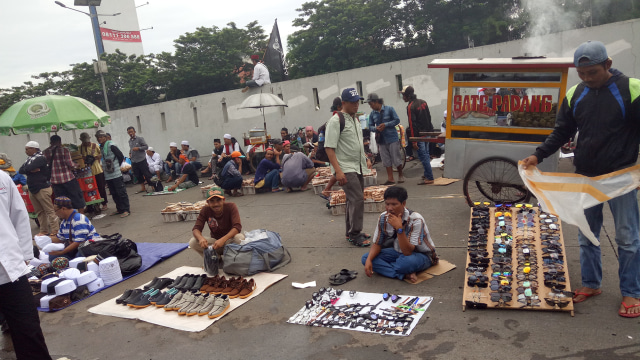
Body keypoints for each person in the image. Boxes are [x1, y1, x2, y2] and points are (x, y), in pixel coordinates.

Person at [521, 40, 640, 318]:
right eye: (582, 73)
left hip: (620, 177)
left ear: (608, 65)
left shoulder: (631, 89)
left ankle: (632, 292)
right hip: (585, 177)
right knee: (586, 234)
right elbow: (562, 130)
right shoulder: (575, 94)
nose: (587, 79)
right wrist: (538, 155)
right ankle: (591, 284)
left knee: (627, 238)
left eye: (593, 73)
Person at [0, 170, 52, 360]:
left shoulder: (2, 178)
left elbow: (18, 215)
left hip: (11, 270)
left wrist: (23, 255)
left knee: (28, 330)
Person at [325, 88, 372, 247]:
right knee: (357, 199)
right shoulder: (336, 121)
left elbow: (357, 143)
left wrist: (365, 157)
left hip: (357, 165)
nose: (356, 105)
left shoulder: (355, 119)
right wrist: (338, 171)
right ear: (343, 103)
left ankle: (350, 231)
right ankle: (355, 233)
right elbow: (329, 148)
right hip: (345, 167)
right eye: (353, 102)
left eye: (358, 102)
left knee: (352, 200)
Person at [362, 186, 437, 283]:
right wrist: (369, 260)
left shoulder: (416, 219)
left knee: (404, 263)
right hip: (397, 252)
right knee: (366, 258)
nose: (390, 208)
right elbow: (377, 243)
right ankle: (403, 274)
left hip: (421, 255)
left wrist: (399, 228)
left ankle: (399, 269)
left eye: (394, 204)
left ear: (403, 204)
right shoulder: (383, 217)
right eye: (387, 204)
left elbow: (407, 252)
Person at [19, 141, 59, 236]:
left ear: (34, 149)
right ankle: (44, 230)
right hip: (32, 188)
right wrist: (30, 170)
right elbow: (21, 170)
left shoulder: (40, 158)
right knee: (39, 212)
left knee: (49, 210)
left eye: (27, 149)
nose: (26, 151)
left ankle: (55, 229)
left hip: (42, 188)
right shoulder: (29, 159)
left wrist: (29, 169)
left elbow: (28, 168)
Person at [189, 186, 244, 256]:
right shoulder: (205, 210)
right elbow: (196, 228)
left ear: (223, 200)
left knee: (239, 238)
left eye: (218, 200)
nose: (216, 204)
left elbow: (237, 227)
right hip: (215, 242)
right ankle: (215, 258)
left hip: (230, 240)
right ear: (208, 202)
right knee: (193, 242)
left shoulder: (231, 206)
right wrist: (201, 239)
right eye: (212, 201)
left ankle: (232, 257)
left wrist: (223, 240)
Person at [366, 93, 405, 185]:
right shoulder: (372, 114)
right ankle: (390, 178)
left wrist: (386, 125)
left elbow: (397, 120)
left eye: (371, 104)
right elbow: (370, 126)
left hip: (392, 137)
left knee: (396, 158)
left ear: (376, 102)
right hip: (381, 140)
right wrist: (376, 129)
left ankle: (400, 175)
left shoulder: (389, 109)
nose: (370, 106)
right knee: (386, 160)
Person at [401, 85, 435, 185]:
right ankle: (426, 173)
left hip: (419, 135)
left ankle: (429, 177)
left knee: (423, 156)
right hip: (427, 132)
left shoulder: (410, 106)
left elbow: (412, 124)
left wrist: (414, 140)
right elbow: (429, 117)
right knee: (426, 155)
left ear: (408, 96)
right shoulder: (423, 102)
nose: (403, 98)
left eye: (403, 95)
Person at [48, 196, 99, 261]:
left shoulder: (78, 219)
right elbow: (60, 239)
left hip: (90, 246)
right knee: (53, 256)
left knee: (78, 258)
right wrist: (46, 239)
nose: (56, 214)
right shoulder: (64, 222)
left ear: (63, 209)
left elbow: (79, 241)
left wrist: (62, 252)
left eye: (56, 211)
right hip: (76, 247)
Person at [44, 135, 86, 212]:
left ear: (50, 142)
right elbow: (70, 163)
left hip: (55, 181)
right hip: (68, 179)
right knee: (77, 197)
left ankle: (65, 218)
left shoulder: (45, 152)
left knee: (61, 201)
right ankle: (81, 216)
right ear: (60, 142)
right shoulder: (64, 150)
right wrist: (77, 165)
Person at [96, 130, 130, 218]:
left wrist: (116, 165)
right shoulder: (101, 148)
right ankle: (119, 209)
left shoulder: (111, 146)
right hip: (108, 174)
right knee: (114, 192)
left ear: (105, 138)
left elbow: (120, 156)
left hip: (116, 173)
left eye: (101, 137)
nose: (99, 139)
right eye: (97, 137)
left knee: (121, 192)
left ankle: (126, 209)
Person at [79, 132, 108, 212]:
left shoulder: (95, 146)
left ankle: (104, 203)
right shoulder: (80, 148)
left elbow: (102, 154)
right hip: (86, 173)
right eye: (85, 141)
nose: (86, 143)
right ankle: (90, 206)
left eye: (87, 141)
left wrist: (98, 157)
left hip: (97, 170)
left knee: (101, 187)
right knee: (88, 189)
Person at [127, 126, 155, 194]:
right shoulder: (129, 141)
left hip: (141, 159)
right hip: (134, 160)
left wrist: (138, 148)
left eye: (131, 132)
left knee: (146, 174)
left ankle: (153, 186)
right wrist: (130, 153)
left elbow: (146, 146)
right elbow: (131, 149)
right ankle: (143, 188)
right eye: (129, 132)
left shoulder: (140, 139)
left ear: (134, 132)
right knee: (138, 175)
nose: (130, 133)